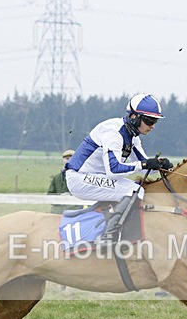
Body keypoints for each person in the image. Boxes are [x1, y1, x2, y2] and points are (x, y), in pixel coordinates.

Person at [65, 94, 172, 245]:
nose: (152, 126)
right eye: (149, 120)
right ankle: (109, 236)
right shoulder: (114, 133)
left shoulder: (133, 136)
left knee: (136, 189)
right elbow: (114, 170)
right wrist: (144, 164)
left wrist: (160, 165)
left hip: (96, 177)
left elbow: (144, 165)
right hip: (79, 178)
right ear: (134, 117)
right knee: (135, 190)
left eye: (155, 121)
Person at [47, 149, 82, 214]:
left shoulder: (81, 177)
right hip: (57, 212)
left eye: (72, 158)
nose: (69, 161)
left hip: (74, 212)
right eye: (67, 158)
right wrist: (60, 199)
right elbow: (49, 196)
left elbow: (85, 195)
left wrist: (71, 197)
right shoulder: (56, 178)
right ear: (63, 160)